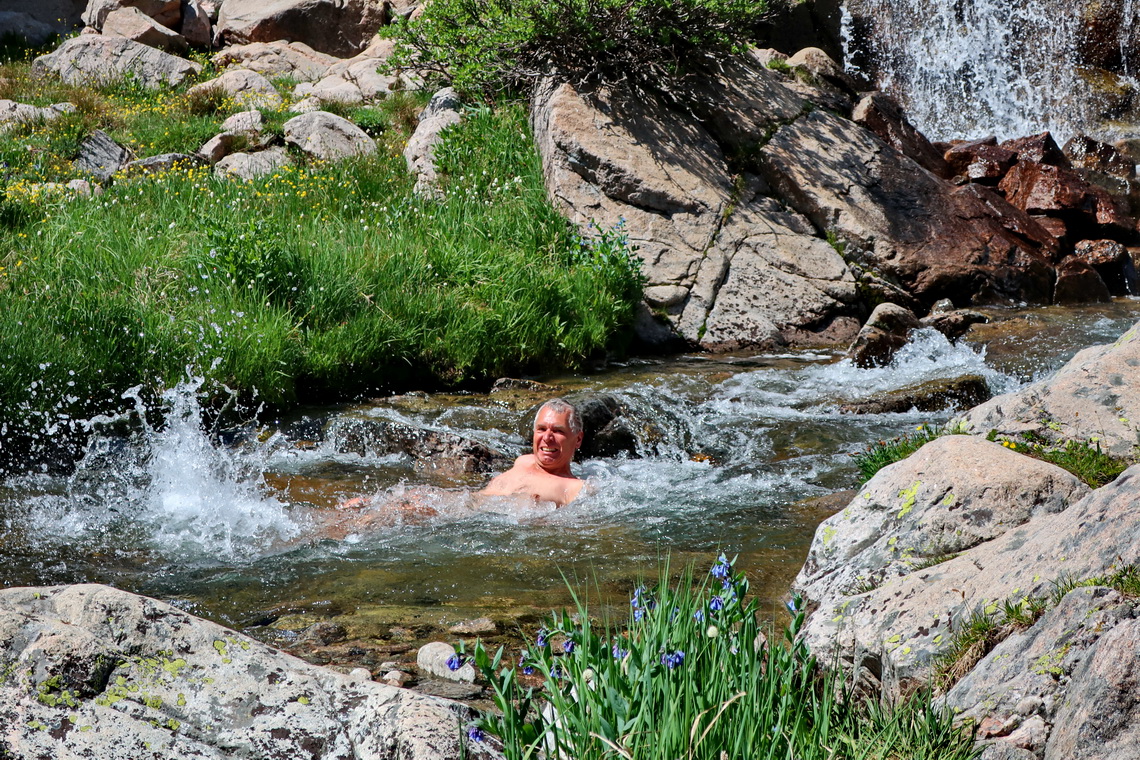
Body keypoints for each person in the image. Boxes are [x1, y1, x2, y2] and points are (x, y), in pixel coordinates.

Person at [479, 397, 586, 507]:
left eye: (558, 431)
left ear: (578, 439)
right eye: (542, 429)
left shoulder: (575, 489)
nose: (547, 437)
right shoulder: (523, 461)